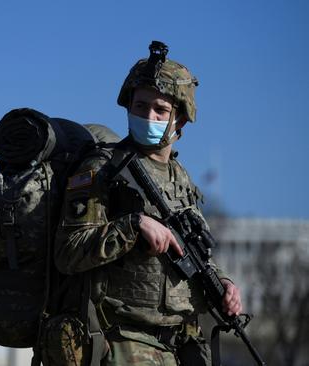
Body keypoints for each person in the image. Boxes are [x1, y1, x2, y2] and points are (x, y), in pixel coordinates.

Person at [53, 41, 242, 365]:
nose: (148, 116)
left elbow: (191, 251)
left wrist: (222, 282)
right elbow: (67, 252)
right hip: (125, 342)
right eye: (140, 107)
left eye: (160, 110)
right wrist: (133, 226)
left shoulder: (179, 177)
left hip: (184, 343)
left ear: (180, 120)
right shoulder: (102, 169)